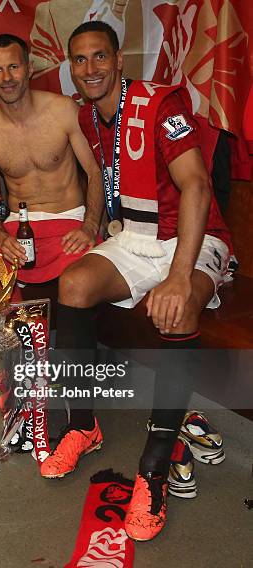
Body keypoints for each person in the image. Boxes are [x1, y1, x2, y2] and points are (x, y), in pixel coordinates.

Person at [41, 21, 231, 542]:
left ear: (118, 60)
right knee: (72, 286)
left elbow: (195, 187)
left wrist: (177, 276)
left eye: (99, 57)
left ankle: (153, 467)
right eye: (79, 61)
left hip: (190, 238)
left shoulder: (158, 105)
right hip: (135, 237)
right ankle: (82, 424)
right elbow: (103, 182)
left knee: (179, 307)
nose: (90, 69)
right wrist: (89, 227)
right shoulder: (87, 114)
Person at [0, 34, 103, 283]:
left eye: (14, 67)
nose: (6, 78)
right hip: (15, 230)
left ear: (29, 69)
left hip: (70, 224)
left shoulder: (64, 111)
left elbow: (96, 172)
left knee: (81, 281)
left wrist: (90, 227)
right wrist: (2, 240)